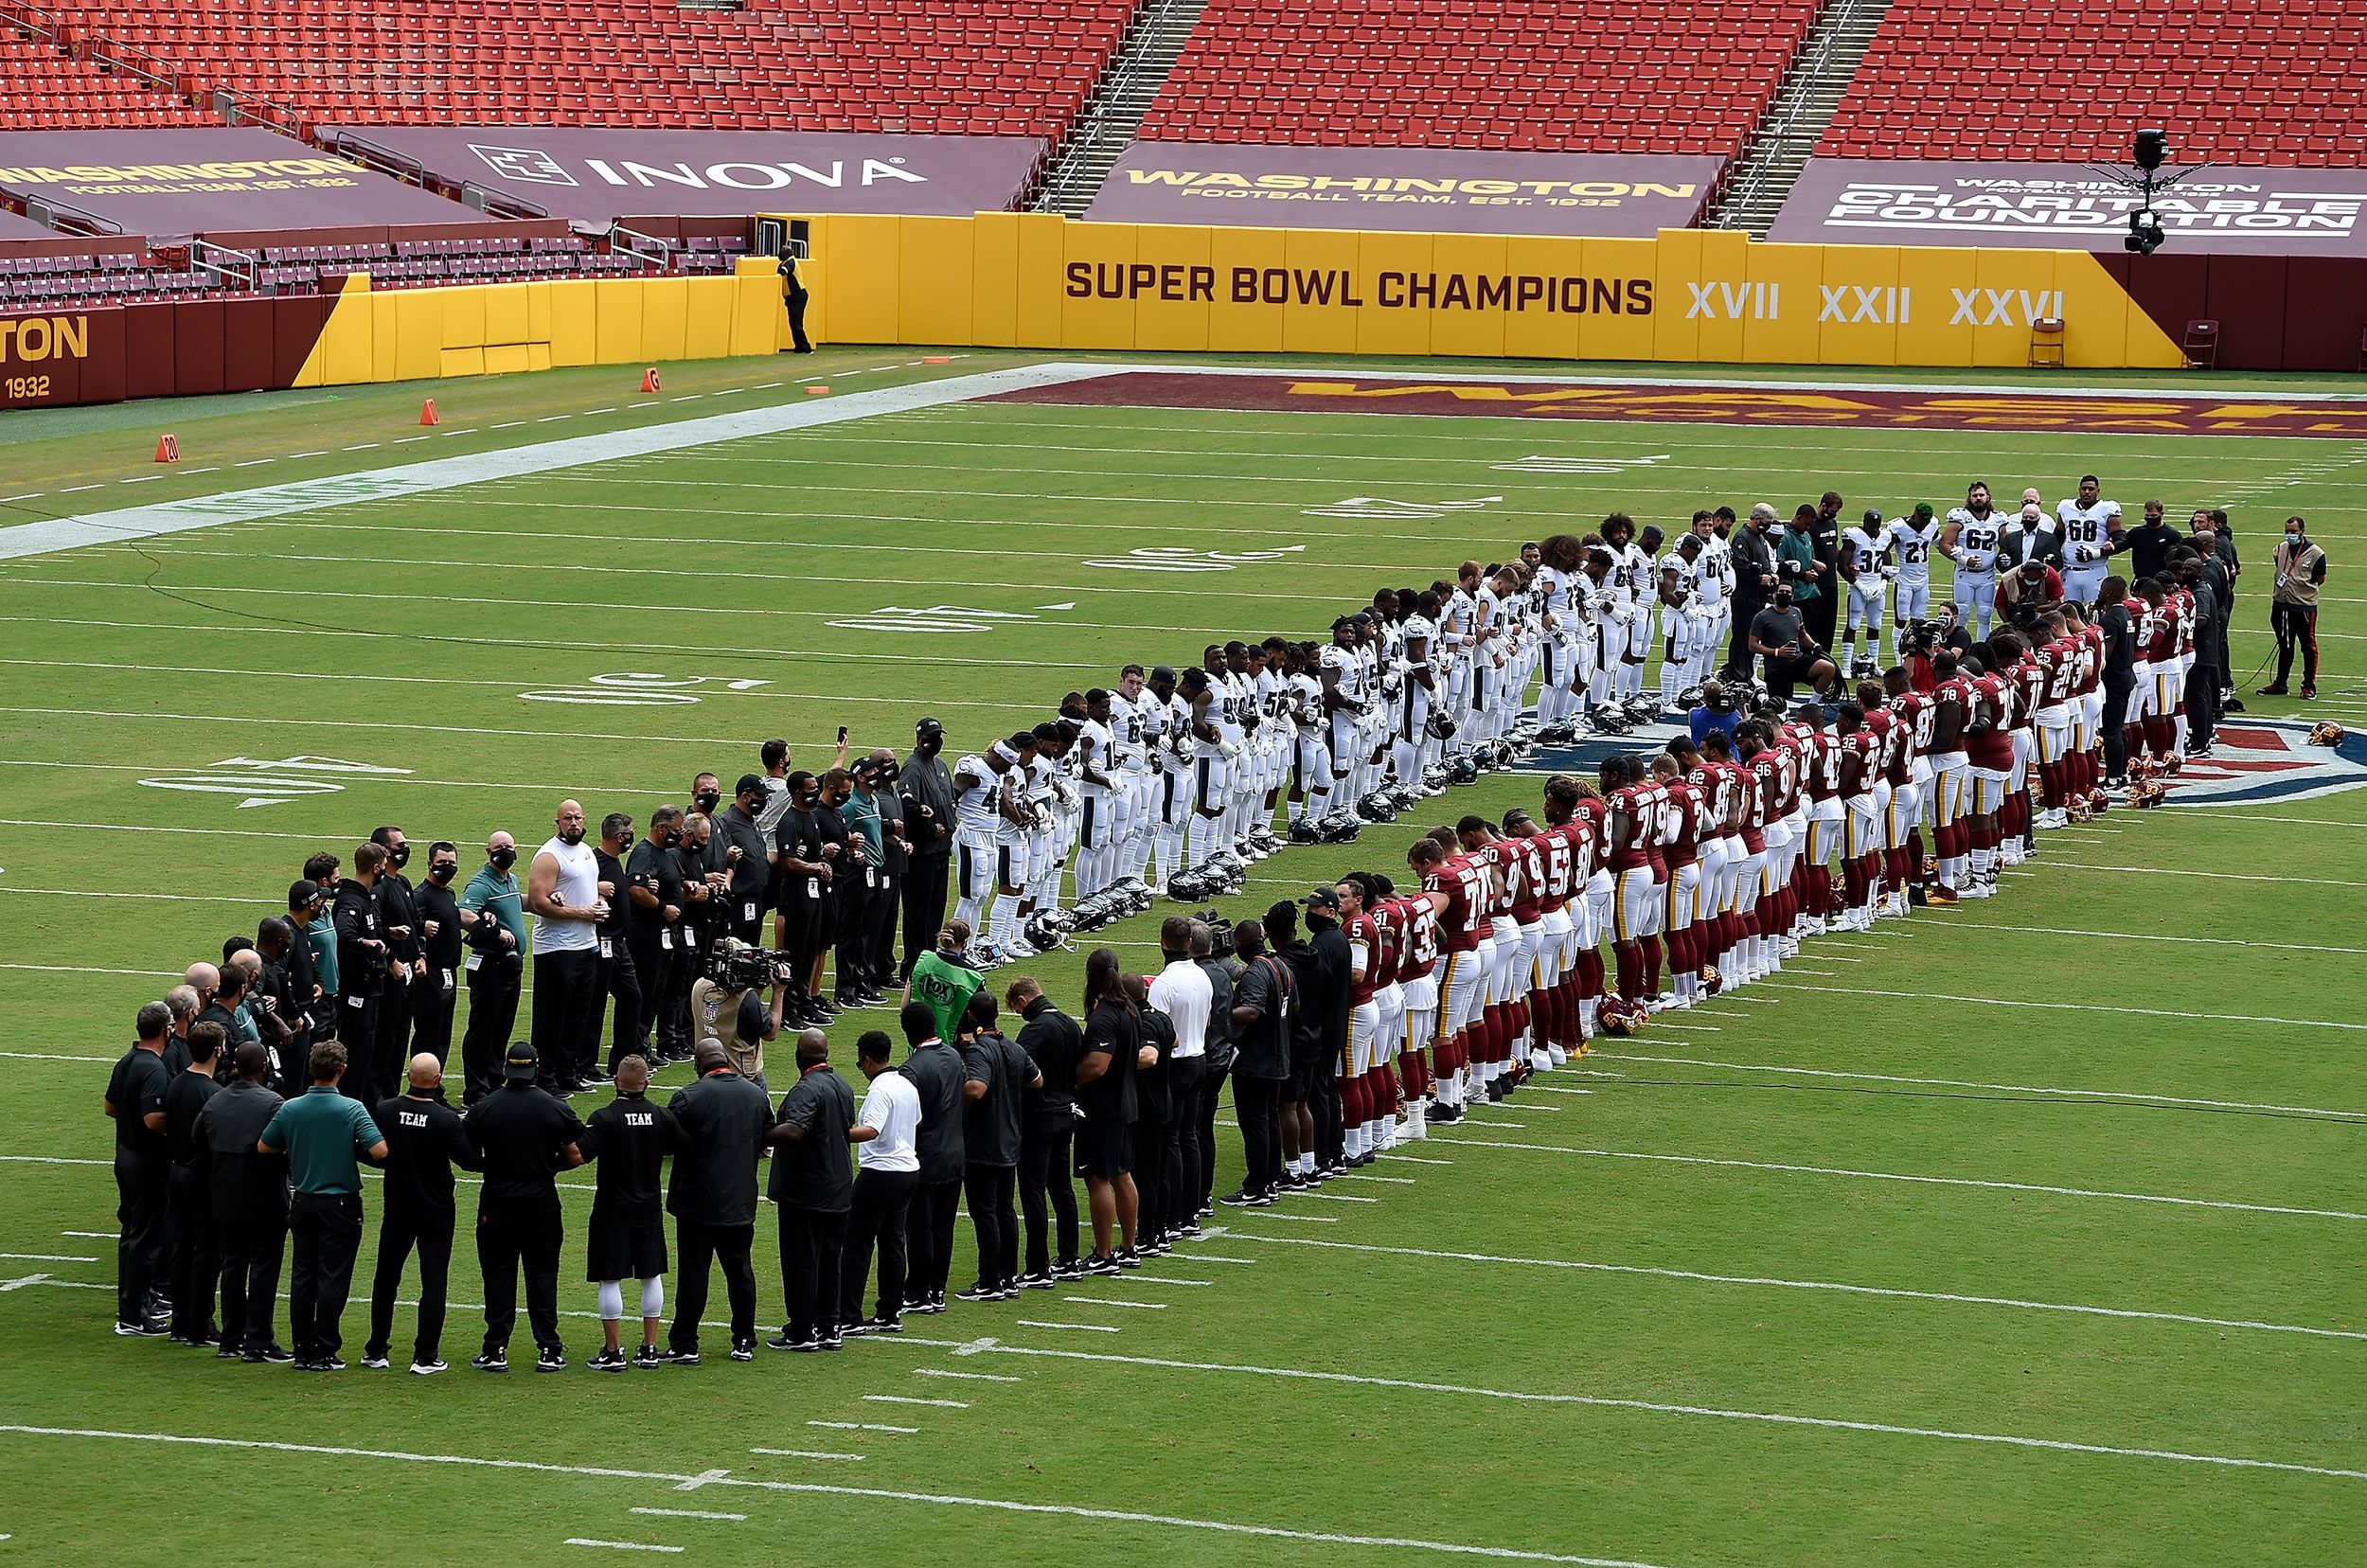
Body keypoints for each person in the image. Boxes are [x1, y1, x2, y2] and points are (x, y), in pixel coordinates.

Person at [258, 1041, 388, 1371]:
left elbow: (264, 1146)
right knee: (333, 1277)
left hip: (302, 1199)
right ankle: (325, 1348)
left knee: (303, 1275)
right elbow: (380, 1152)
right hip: (340, 1203)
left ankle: (302, 1348)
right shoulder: (352, 1109)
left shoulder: (291, 1108)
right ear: (341, 1070)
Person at [464, 1041, 584, 1374]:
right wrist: (547, 1165)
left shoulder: (485, 1107)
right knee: (543, 1275)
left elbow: (467, 1154)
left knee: (498, 1275)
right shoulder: (554, 1107)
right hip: (542, 1203)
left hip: (497, 1203)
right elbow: (576, 1154)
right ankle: (549, 1348)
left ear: (506, 1068)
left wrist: (493, 1167)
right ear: (534, 1068)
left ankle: (496, 1348)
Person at [365, 1051, 479, 1375]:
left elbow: (371, 1152)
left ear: (408, 1075)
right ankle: (425, 1355)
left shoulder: (386, 1110)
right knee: (433, 1281)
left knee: (386, 1278)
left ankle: (376, 1349)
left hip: (398, 1207)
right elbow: (470, 1160)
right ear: (438, 1080)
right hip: (436, 1210)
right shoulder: (444, 1119)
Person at [665, 1038, 774, 1363]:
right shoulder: (756, 1095)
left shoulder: (688, 1097)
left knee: (694, 1273)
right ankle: (744, 1339)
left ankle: (685, 1342)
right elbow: (769, 1134)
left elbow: (668, 1141)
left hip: (697, 1201)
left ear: (699, 1065)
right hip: (740, 1199)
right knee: (740, 1271)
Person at [578, 1055, 683, 1372]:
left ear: (615, 1081)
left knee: (610, 1278)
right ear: (647, 1083)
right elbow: (684, 1145)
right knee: (651, 1275)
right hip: (648, 1208)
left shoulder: (605, 1117)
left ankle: (613, 1352)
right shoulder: (661, 1115)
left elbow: (579, 1154)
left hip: (612, 1209)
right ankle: (650, 1348)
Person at [194, 1042, 288, 1362]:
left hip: (224, 1195)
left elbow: (198, 1136)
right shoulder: (272, 1102)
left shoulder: (216, 1100)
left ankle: (231, 1338)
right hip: (264, 1196)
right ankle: (259, 1340)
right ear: (264, 1067)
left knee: (233, 1265)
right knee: (264, 1268)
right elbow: (282, 1145)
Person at [765, 1029, 857, 1351]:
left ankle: (803, 1329)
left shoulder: (807, 1089)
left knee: (801, 1261)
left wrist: (758, 1135)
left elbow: (794, 1130)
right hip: (837, 1187)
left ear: (798, 1056)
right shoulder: (842, 1085)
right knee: (830, 1260)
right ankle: (830, 1325)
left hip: (806, 1191)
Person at [956, 990, 1038, 1300]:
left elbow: (976, 1089)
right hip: (1010, 1139)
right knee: (1005, 1209)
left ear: (972, 1017)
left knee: (985, 1212)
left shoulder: (979, 1051)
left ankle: (990, 1280)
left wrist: (953, 1087)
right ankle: (1008, 1277)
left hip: (983, 1142)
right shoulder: (1014, 1047)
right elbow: (1037, 1080)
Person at [840, 1029, 920, 1335]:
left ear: (868, 1060)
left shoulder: (879, 1090)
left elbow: (871, 1129)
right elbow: (915, 1121)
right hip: (907, 1169)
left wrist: (837, 1132)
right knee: (892, 1243)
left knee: (857, 1242)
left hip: (880, 1173)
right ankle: (889, 1311)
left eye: (861, 1064)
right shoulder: (905, 1084)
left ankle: (848, 1315)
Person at [897, 997, 974, 1314]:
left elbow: (905, 1118)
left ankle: (917, 1291)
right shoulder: (955, 1057)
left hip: (924, 1156)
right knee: (943, 1226)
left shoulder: (912, 1069)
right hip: (955, 1153)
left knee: (920, 1227)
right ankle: (937, 1289)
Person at [527, 799, 608, 1095]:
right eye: (567, 818)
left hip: (586, 944)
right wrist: (582, 913)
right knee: (552, 1017)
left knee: (577, 1016)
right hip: (556, 948)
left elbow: (587, 890)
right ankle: (545, 1079)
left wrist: (600, 905)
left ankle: (567, 1074)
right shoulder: (549, 855)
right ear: (557, 822)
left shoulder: (586, 852)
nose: (573, 823)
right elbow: (537, 902)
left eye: (577, 817)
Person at [1006, 975, 1083, 1286]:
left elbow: (1018, 1070)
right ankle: (1069, 1258)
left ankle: (1038, 1266)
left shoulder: (1035, 1030)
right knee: (1062, 1189)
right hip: (1066, 1114)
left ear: (1023, 1001)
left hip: (1038, 1119)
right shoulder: (1070, 1024)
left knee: (1033, 1190)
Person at [103, 1002, 172, 1335]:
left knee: (131, 1234)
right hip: (146, 1161)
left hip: (126, 1155)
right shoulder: (154, 1069)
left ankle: (132, 1308)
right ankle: (133, 1315)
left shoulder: (126, 1060)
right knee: (144, 1238)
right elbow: (153, 1118)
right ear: (166, 1030)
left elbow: (110, 1107)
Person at [1075, 947, 1143, 1274]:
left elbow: (1098, 1065)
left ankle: (1104, 1254)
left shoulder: (1104, 1016)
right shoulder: (1129, 1007)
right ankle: (1129, 1246)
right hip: (1126, 1102)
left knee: (1098, 1178)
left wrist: (1069, 1078)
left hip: (1103, 1108)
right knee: (1122, 1174)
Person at [1145, 916, 1212, 1236]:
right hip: (1199, 1058)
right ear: (1189, 943)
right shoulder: (1202, 975)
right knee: (1191, 1136)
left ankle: (1172, 1216)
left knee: (1171, 1140)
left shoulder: (1163, 984)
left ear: (1162, 941)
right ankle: (1191, 1210)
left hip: (1175, 1064)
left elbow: (1158, 1034)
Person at [162, 1020, 224, 1346]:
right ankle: (200, 1325)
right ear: (218, 1050)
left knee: (181, 1249)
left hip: (176, 1172)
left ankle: (180, 1323)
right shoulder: (213, 1093)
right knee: (206, 1253)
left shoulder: (176, 1084)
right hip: (201, 1177)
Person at [458, 832, 525, 1105]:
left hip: (510, 966)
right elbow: (464, 912)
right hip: (490, 967)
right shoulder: (481, 883)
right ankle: (475, 1090)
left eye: (509, 847)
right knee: (483, 1029)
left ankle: (494, 1082)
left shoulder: (511, 879)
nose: (505, 851)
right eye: (500, 848)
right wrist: (494, 932)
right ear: (488, 851)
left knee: (501, 1028)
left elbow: (518, 903)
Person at [626, 806, 689, 1063]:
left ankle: (645, 1045)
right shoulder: (643, 854)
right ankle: (637, 1047)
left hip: (665, 935)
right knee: (645, 991)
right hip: (647, 935)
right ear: (661, 828)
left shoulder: (667, 854)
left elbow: (672, 882)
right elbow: (636, 890)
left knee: (657, 992)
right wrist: (662, 908)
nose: (680, 835)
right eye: (677, 830)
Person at [330, 842, 390, 1100]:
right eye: (384, 867)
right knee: (354, 1055)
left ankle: (360, 1107)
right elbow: (344, 935)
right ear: (376, 868)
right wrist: (366, 944)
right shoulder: (351, 900)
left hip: (369, 988)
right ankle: (347, 1106)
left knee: (366, 1053)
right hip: (356, 990)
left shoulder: (364, 897)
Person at [366, 826, 420, 1102]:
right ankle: (378, 1100)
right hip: (391, 975)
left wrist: (420, 955)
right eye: (400, 845)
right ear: (384, 851)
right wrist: (391, 960)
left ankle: (391, 1095)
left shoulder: (403, 883)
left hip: (409, 974)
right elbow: (374, 928)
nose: (405, 849)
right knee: (385, 1041)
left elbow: (413, 923)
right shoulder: (379, 889)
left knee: (400, 1040)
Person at [899, 719, 956, 982]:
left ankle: (931, 959)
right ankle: (913, 965)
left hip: (941, 850)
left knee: (936, 909)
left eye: (938, 736)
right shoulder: (912, 768)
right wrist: (929, 827)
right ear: (920, 738)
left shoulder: (940, 765)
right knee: (918, 912)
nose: (936, 741)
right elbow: (908, 805)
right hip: (922, 852)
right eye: (932, 736)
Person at [1190, 918, 1239, 1220]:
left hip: (1200, 1058)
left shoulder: (1196, 977)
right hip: (1220, 1057)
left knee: (1188, 1131)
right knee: (1203, 1129)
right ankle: (1202, 1194)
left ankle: (1191, 1195)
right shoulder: (1221, 973)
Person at [594, 813, 646, 1078]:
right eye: (629, 833)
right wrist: (596, 888)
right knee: (596, 1002)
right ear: (620, 836)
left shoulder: (613, 861)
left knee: (632, 996)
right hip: (602, 940)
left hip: (618, 942)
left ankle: (622, 1060)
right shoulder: (594, 862)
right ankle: (586, 1063)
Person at [409, 841, 467, 1064]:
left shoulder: (449, 893)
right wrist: (422, 927)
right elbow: (410, 926)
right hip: (430, 973)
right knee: (429, 1033)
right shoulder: (420, 896)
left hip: (450, 971)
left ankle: (435, 1084)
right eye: (442, 862)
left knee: (443, 1033)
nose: (448, 867)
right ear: (429, 864)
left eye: (452, 863)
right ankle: (422, 1083)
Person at [2263, 517, 2327, 700]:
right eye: (2287, 531)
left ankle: (2309, 685)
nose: (2289, 534)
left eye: (2293, 531)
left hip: (2303, 606)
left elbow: (2320, 578)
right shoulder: (2280, 548)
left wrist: (2302, 586)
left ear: (2302, 531)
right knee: (2285, 646)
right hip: (2281, 604)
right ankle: (2281, 683)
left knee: (2308, 646)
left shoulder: (2315, 553)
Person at [1749, 582, 1838, 704]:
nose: (1784, 594)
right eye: (1781, 591)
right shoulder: (1762, 616)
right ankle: (1760, 697)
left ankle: (1813, 704)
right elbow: (1752, 645)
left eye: (1787, 592)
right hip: (1776, 667)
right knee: (1778, 705)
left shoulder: (1796, 612)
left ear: (1792, 596)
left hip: (1797, 660)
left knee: (1828, 668)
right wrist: (1776, 652)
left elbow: (1802, 635)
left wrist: (1814, 645)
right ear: (1775, 594)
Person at [904, 921, 984, 1046]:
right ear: (965, 942)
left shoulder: (922, 962)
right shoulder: (972, 976)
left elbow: (904, 1005)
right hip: (953, 1046)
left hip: (918, 1041)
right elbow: (979, 1019)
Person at [1723, 504, 1779, 679]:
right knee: (1742, 637)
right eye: (1766, 522)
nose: (1768, 526)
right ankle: (1737, 675)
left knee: (1752, 637)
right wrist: (1758, 578)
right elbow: (1739, 566)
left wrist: (1771, 575)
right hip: (1744, 598)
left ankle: (1747, 674)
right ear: (1756, 519)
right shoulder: (1743, 538)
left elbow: (1764, 564)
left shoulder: (1759, 538)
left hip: (1757, 597)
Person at [780, 246, 812, 352]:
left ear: (787, 254)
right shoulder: (786, 262)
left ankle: (806, 348)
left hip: (798, 296)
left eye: (782, 252)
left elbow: (783, 272)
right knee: (793, 323)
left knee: (797, 323)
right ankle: (799, 347)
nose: (780, 254)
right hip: (792, 298)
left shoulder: (790, 262)